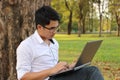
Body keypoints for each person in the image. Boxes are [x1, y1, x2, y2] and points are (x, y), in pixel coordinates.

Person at [16, 6, 104, 80]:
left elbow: (54, 66)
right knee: (92, 71)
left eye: (56, 28)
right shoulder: (26, 46)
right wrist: (51, 71)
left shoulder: (54, 43)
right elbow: (23, 77)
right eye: (51, 28)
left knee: (90, 71)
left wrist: (68, 68)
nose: (55, 32)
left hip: (57, 77)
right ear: (39, 27)